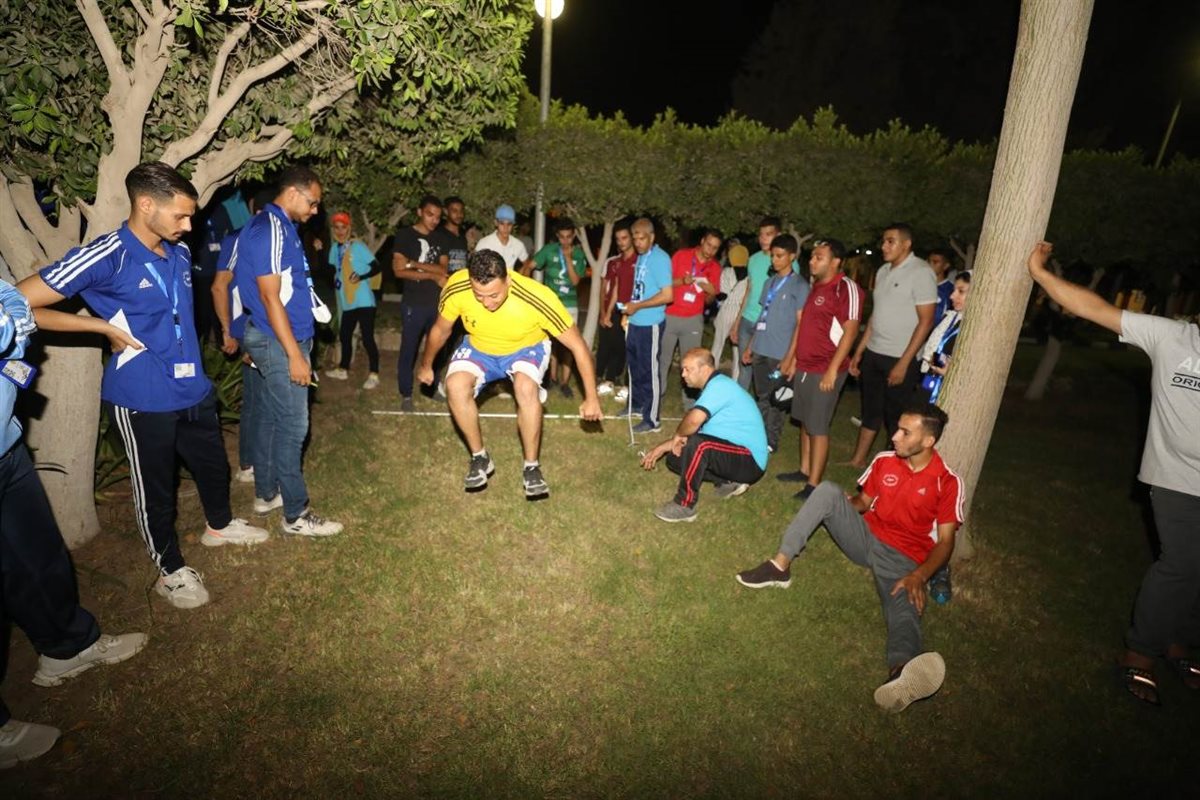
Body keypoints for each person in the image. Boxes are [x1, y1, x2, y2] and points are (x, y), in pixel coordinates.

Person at [20, 162, 270, 610]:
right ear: (146, 205)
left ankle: (219, 526)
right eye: (181, 215)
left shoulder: (177, 251)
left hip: (193, 388)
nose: (189, 226)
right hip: (141, 396)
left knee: (214, 467)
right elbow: (17, 302)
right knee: (156, 490)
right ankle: (170, 571)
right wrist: (98, 326)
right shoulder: (107, 254)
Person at [1027, 241, 1200, 707]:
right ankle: (1138, 653)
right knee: (1181, 564)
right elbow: (1094, 308)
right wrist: (1041, 274)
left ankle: (1179, 642)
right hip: (1177, 478)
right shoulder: (1173, 337)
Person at [0, 280, 146, 769]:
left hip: (6, 450)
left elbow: (18, 306)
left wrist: (91, 324)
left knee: (39, 557)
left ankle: (67, 647)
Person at [736, 403, 964, 713]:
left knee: (904, 604)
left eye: (904, 432)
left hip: (902, 557)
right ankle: (780, 566)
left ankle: (901, 672)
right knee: (827, 490)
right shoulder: (885, 460)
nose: (894, 437)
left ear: (928, 441)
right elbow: (863, 502)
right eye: (897, 429)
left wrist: (920, 575)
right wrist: (839, 504)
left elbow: (946, 542)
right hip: (866, 537)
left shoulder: (947, 482)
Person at [416, 249, 603, 498]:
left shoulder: (538, 297)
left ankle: (531, 467)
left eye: (494, 295)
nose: (487, 303)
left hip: (526, 348)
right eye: (479, 295)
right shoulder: (457, 286)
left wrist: (591, 397)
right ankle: (480, 457)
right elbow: (440, 330)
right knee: (455, 385)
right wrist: (426, 364)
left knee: (526, 388)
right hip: (480, 345)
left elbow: (578, 346)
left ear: (508, 280)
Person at [233, 165, 343, 538]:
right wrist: (295, 354)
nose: (315, 210)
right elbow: (269, 296)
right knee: (294, 426)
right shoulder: (271, 229)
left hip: (274, 337)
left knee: (270, 418)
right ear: (293, 193)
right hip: (281, 342)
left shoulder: (280, 227)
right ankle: (296, 514)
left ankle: (267, 494)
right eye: (312, 202)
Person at [640, 348, 768, 522]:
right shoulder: (712, 389)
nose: (683, 374)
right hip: (732, 454)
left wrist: (678, 434)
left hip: (750, 461)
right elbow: (693, 434)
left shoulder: (720, 386)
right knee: (675, 458)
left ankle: (684, 505)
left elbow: (693, 422)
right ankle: (729, 482)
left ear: (705, 369)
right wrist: (662, 448)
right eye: (682, 370)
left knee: (699, 445)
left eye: (688, 369)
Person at [847, 223, 937, 468]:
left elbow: (926, 321)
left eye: (891, 241)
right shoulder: (883, 271)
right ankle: (858, 459)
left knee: (896, 416)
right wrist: (859, 351)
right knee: (870, 409)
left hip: (900, 357)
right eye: (884, 241)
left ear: (906, 244)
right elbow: (876, 315)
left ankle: (894, 467)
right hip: (874, 353)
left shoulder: (921, 272)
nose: (884, 246)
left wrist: (904, 363)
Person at [778, 238, 862, 499]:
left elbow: (850, 331)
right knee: (805, 421)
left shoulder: (845, 288)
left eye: (819, 257)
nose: (812, 261)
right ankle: (804, 470)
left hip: (826, 368)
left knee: (818, 426)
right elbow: (807, 326)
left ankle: (813, 484)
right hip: (806, 366)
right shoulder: (817, 286)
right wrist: (794, 360)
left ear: (836, 261)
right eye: (812, 256)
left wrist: (832, 370)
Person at [212, 187, 272, 485]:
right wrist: (228, 331)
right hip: (252, 329)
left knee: (259, 397)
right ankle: (251, 464)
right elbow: (219, 286)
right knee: (259, 400)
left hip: (267, 329)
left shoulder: (275, 239)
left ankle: (252, 461)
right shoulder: (239, 239)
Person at [741, 234, 809, 454]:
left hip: (780, 353)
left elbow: (801, 323)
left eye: (780, 256)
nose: (775, 260)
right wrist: (750, 346)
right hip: (760, 348)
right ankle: (758, 434)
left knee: (777, 398)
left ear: (792, 256)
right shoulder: (769, 282)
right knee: (762, 396)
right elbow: (763, 314)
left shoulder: (800, 286)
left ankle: (771, 439)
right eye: (773, 256)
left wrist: (791, 357)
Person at [392, 194, 449, 411]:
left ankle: (431, 387)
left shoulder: (441, 238)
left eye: (438, 217)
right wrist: (432, 275)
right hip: (413, 303)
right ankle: (406, 393)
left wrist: (413, 264)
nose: (434, 220)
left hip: (436, 303)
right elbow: (399, 270)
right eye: (429, 214)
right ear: (419, 212)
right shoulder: (405, 236)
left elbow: (443, 269)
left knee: (436, 348)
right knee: (409, 349)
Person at [523, 217, 588, 397]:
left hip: (570, 305)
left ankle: (565, 382)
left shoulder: (578, 254)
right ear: (557, 236)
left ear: (573, 236)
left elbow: (575, 281)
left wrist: (568, 259)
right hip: (550, 304)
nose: (565, 241)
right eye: (562, 237)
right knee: (550, 342)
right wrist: (526, 287)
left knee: (569, 345)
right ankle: (551, 378)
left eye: (568, 237)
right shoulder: (549, 250)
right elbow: (529, 266)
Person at [622, 218, 674, 433]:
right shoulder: (642, 257)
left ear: (652, 237)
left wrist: (638, 306)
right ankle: (636, 405)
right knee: (634, 368)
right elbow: (640, 289)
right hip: (635, 321)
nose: (638, 243)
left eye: (642, 239)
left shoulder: (660, 258)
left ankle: (652, 419)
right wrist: (629, 312)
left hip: (650, 323)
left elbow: (668, 295)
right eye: (635, 239)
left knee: (650, 370)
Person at [660, 229, 723, 409]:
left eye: (715, 248)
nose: (710, 250)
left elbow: (710, 300)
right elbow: (665, 281)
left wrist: (710, 292)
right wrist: (683, 281)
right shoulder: (681, 255)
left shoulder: (715, 267)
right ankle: (657, 398)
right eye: (708, 245)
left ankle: (689, 403)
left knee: (692, 364)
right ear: (702, 241)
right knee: (663, 360)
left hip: (693, 319)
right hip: (670, 314)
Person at [732, 217, 793, 390]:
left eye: (768, 234)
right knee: (744, 367)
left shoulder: (787, 263)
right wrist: (737, 322)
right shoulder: (753, 259)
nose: (763, 239)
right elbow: (748, 291)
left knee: (765, 371)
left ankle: (766, 403)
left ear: (778, 235)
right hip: (747, 320)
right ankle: (739, 402)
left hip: (768, 325)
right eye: (761, 234)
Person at [323, 211, 382, 389]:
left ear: (349, 229)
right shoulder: (335, 249)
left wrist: (361, 276)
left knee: (367, 338)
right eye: (337, 228)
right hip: (347, 301)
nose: (340, 231)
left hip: (364, 301)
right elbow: (330, 273)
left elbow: (376, 267)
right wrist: (319, 251)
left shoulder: (358, 247)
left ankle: (374, 374)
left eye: (343, 227)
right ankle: (343, 369)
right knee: (345, 335)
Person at [918, 270, 972, 404]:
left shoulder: (975, 328)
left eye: (961, 291)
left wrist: (951, 371)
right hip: (931, 380)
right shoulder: (949, 319)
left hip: (951, 392)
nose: (952, 296)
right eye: (954, 290)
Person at [596, 221, 637, 398]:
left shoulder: (641, 260)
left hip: (638, 311)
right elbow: (615, 289)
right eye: (618, 239)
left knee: (632, 350)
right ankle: (610, 380)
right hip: (619, 311)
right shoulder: (617, 262)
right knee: (615, 346)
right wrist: (607, 313)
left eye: (624, 238)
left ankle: (628, 386)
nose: (621, 242)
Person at [712, 242, 750, 380]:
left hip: (726, 309)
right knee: (737, 351)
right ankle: (735, 380)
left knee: (717, 345)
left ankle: (711, 375)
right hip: (741, 312)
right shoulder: (750, 275)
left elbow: (723, 293)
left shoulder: (727, 272)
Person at [475, 205, 529, 270]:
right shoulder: (484, 243)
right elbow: (475, 267)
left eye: (509, 224)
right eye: (502, 223)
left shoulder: (518, 245)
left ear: (513, 225)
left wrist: (519, 276)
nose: (505, 228)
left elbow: (527, 264)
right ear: (496, 223)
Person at [927, 247, 957, 324]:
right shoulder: (919, 284)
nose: (930, 265)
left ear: (946, 266)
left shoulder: (950, 290)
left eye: (935, 262)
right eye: (929, 261)